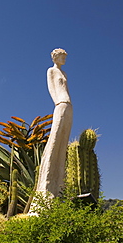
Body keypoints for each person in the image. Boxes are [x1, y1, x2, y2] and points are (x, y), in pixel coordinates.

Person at [35, 48, 73, 197]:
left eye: (65, 56)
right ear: (55, 57)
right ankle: (46, 188)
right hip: (60, 105)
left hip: (69, 105)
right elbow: (52, 89)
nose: (64, 59)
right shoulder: (51, 71)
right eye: (62, 56)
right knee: (55, 140)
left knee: (63, 143)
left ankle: (59, 187)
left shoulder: (65, 73)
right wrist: (59, 103)